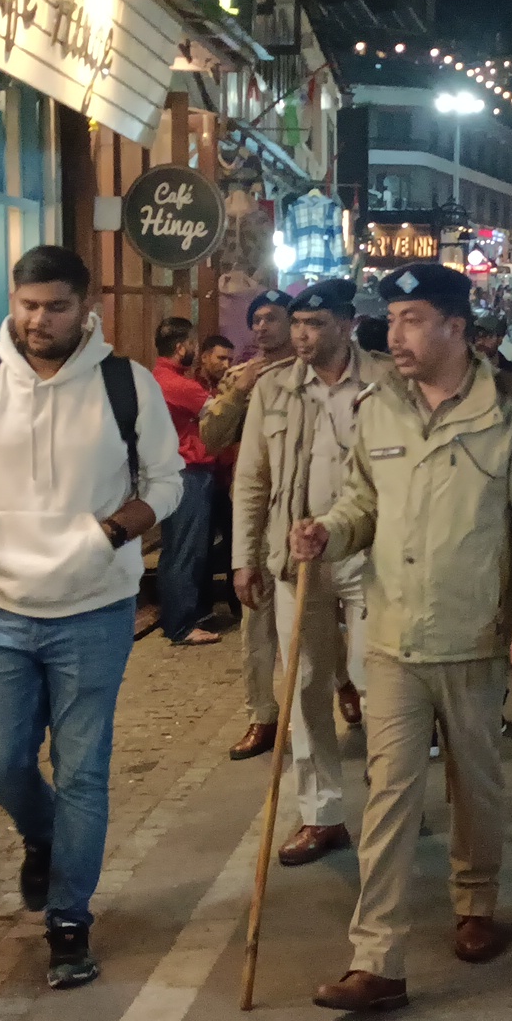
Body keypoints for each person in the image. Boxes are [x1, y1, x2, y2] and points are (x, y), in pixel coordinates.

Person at [290, 263, 512, 1013]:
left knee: (476, 783)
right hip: (395, 632)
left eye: (411, 318)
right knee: (389, 795)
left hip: (476, 634)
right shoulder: (379, 407)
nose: (394, 333)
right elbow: (361, 503)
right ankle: (376, 955)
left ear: (456, 325)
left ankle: (475, 902)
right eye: (392, 318)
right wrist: (330, 530)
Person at [0, 245, 184, 990]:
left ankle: (69, 920)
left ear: (85, 305)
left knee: (83, 772)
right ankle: (42, 835)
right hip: (1, 608)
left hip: (96, 610)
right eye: (28, 305)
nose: (39, 320)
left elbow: (167, 479)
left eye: (55, 306)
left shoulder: (125, 385)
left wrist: (114, 531)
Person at [235, 279, 391, 867]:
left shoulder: (387, 382)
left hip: (371, 553)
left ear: (347, 324)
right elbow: (252, 480)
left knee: (379, 682)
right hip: (295, 557)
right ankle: (321, 814)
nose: (302, 335)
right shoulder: (273, 389)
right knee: (303, 685)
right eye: (297, 324)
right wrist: (244, 559)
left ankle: (390, 806)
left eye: (316, 324)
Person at [202, 291, 301, 760]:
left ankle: (334, 694)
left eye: (271, 318)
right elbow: (210, 436)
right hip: (256, 514)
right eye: (255, 320)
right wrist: (238, 393)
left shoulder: (310, 371)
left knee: (320, 623)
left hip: (312, 516)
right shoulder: (240, 378)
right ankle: (262, 716)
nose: (261, 328)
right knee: (256, 625)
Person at [151, 317, 225, 646]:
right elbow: (223, 413)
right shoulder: (178, 385)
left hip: (176, 471)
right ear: (182, 347)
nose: (195, 351)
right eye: (193, 345)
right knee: (186, 551)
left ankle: (181, 617)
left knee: (177, 549)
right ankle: (182, 624)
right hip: (188, 473)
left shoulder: (162, 377)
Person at [473, 313, 512, 381]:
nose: (480, 342)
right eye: (476, 336)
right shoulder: (465, 373)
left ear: (499, 340)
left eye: (487, 336)